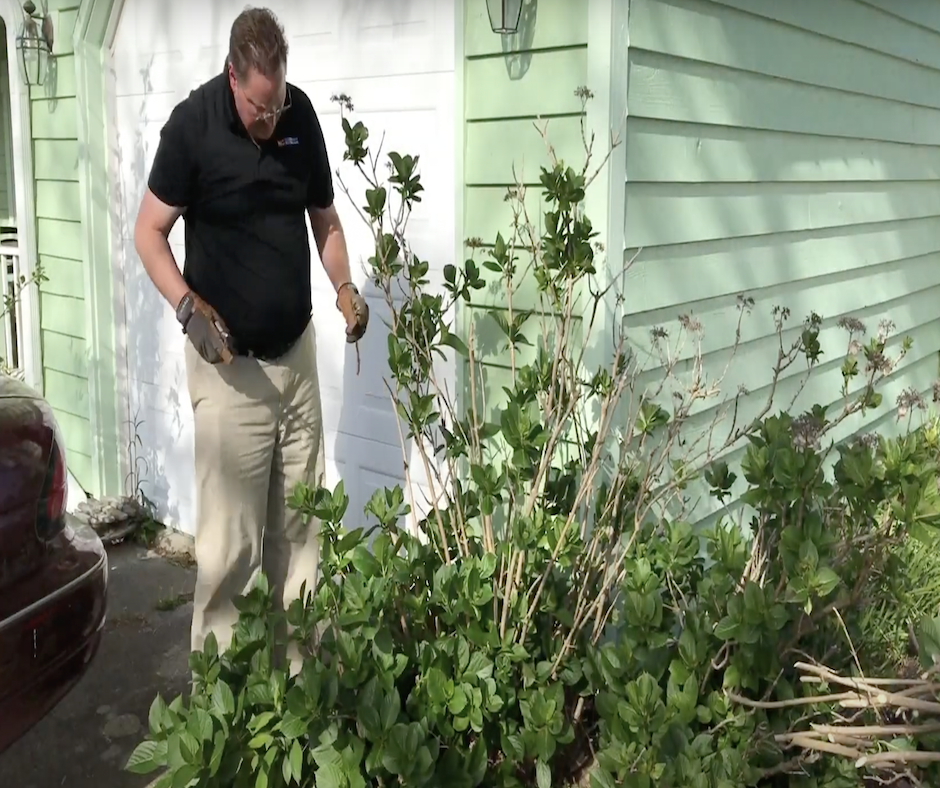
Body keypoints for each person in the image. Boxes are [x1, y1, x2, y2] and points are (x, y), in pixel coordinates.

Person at [133, 6, 368, 669]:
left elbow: (324, 220)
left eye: (278, 105)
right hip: (228, 368)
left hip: (294, 363)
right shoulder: (193, 128)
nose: (270, 121)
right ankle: (222, 710)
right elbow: (148, 233)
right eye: (259, 108)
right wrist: (187, 309)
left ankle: (303, 689)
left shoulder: (299, 118)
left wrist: (345, 289)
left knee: (300, 533)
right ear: (233, 76)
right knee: (230, 548)